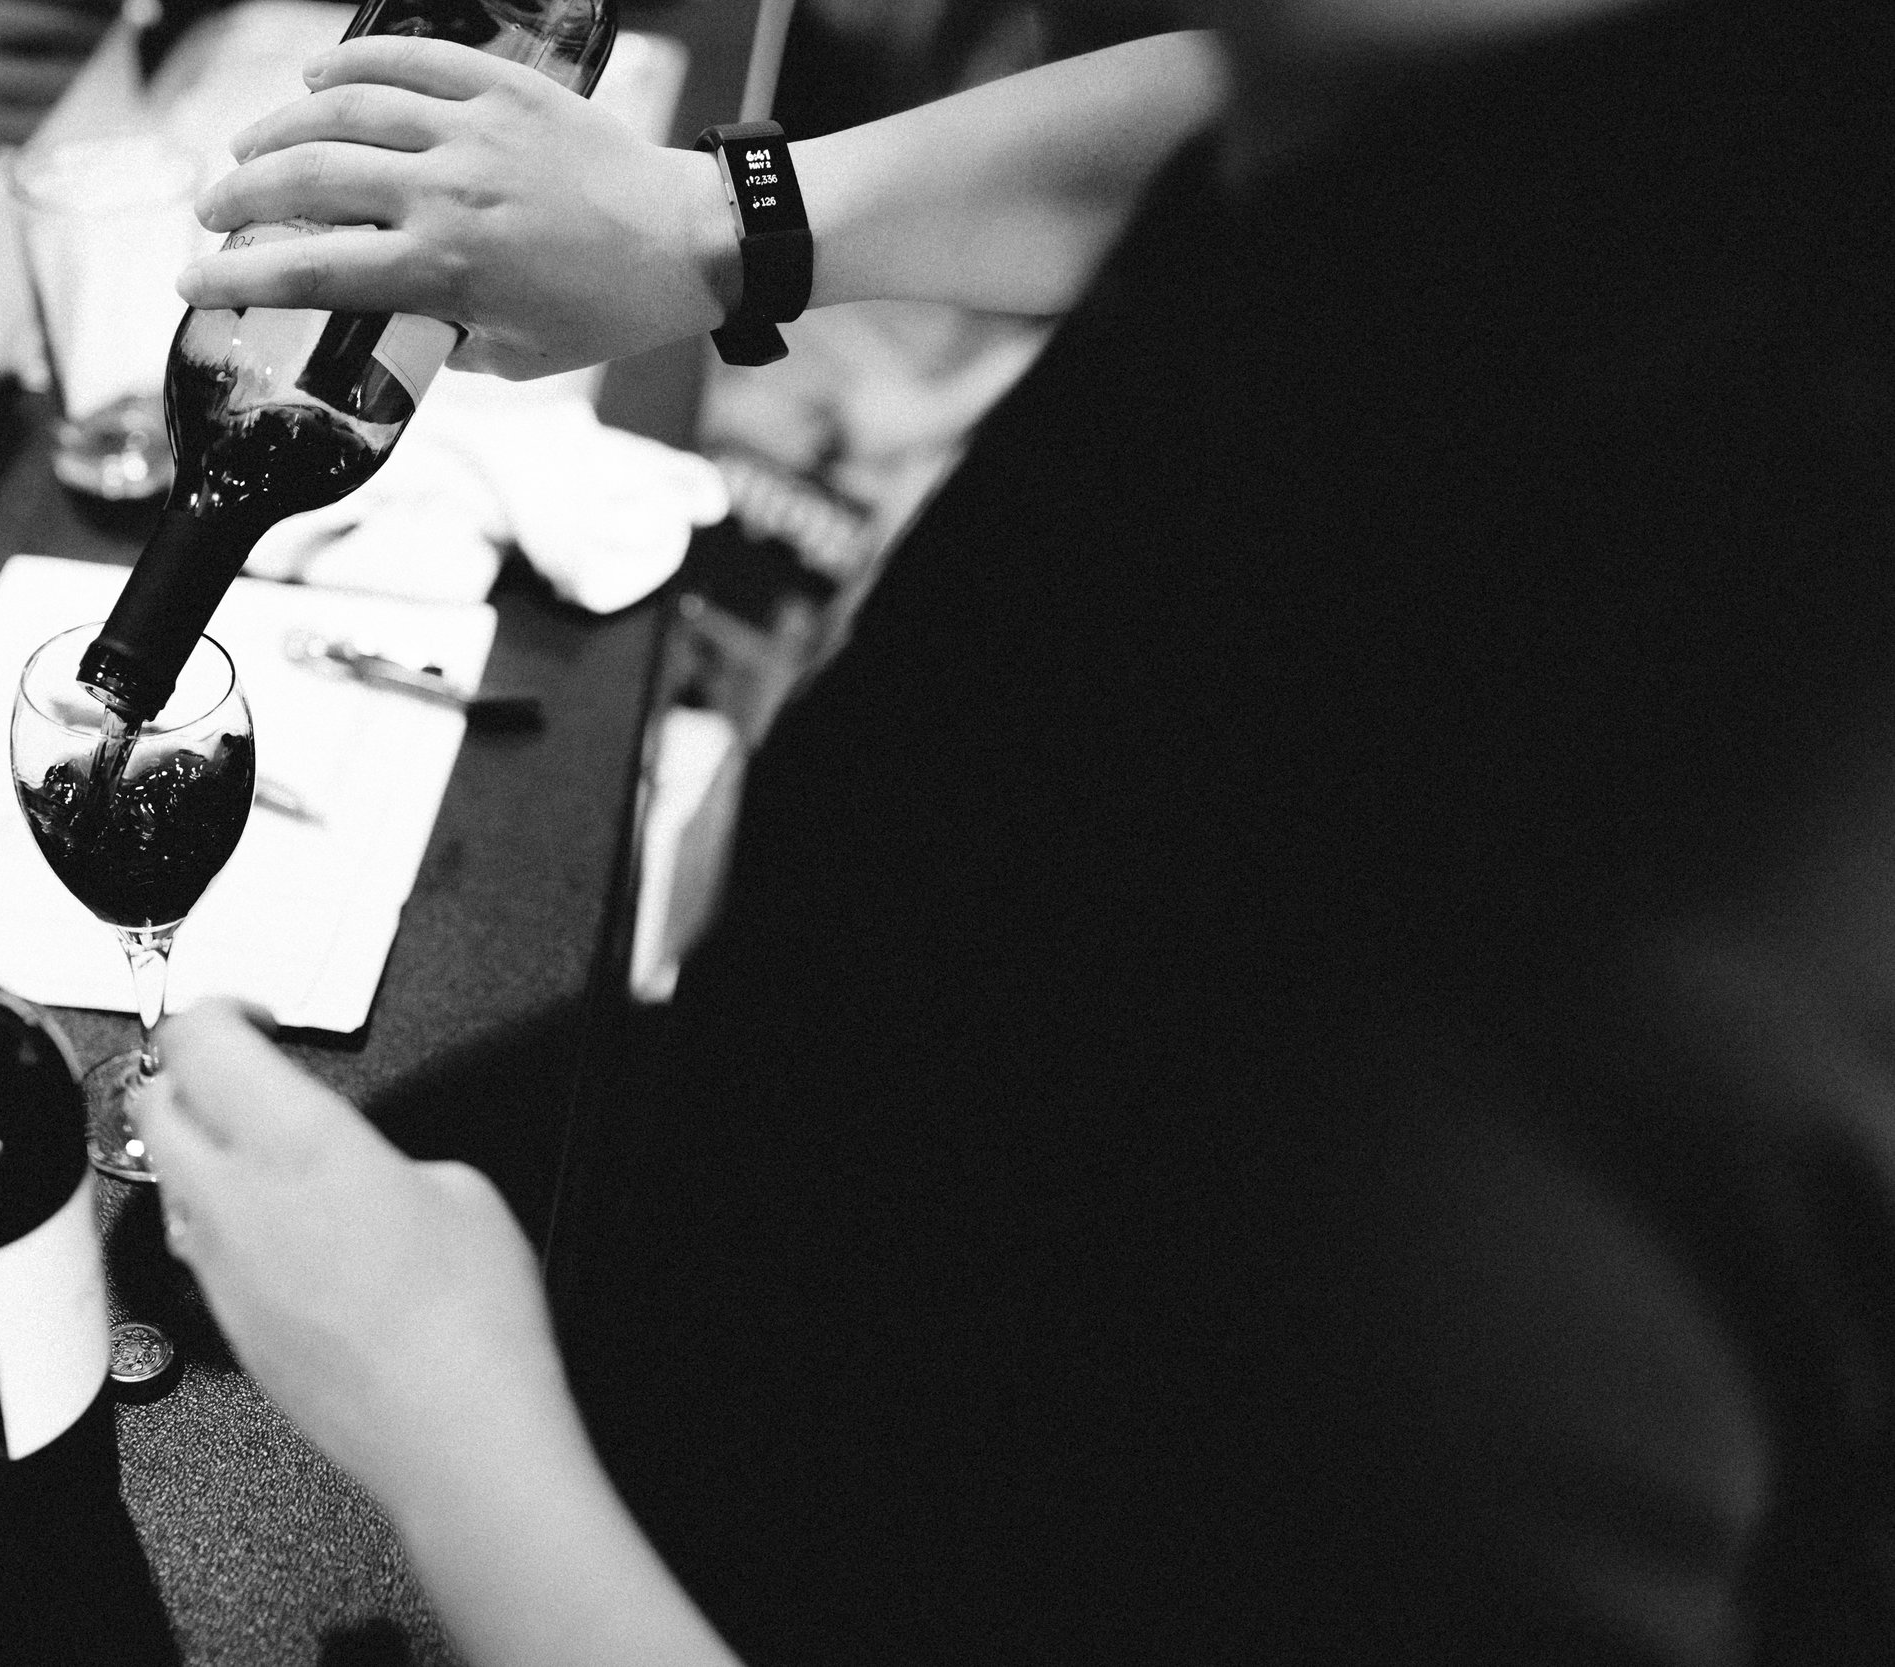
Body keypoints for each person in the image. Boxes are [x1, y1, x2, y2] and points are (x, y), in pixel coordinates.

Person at [138, 1, 1895, 1661]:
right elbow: (1221, 109)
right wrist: (722, 223)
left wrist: (454, 1428)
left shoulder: (1547, 1043)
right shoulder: (1497, 148)